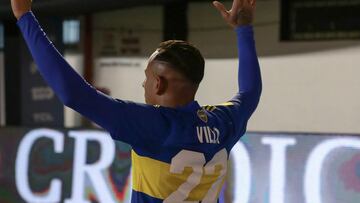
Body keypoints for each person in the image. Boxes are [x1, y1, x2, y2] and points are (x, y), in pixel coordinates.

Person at [10, 0, 261, 202]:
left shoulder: (149, 124)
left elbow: (73, 93)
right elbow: (250, 92)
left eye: (147, 76)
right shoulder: (223, 121)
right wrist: (244, 28)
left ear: (159, 83)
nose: (143, 84)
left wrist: (25, 17)